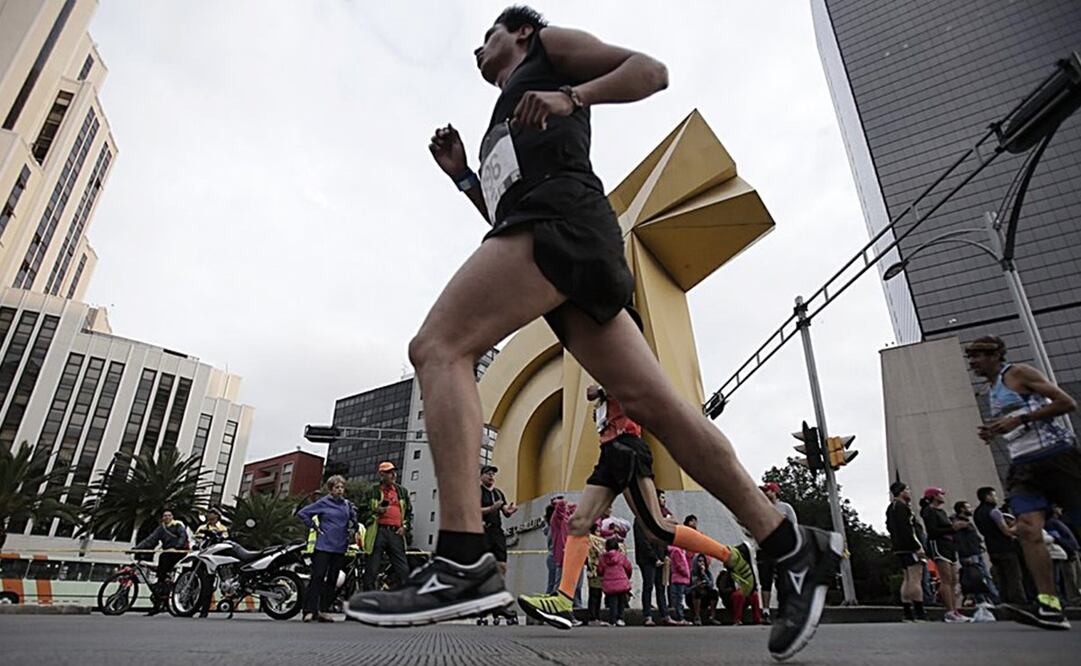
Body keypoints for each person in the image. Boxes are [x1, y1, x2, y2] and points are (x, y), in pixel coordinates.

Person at [346, 8, 841, 660]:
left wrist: (571, 93)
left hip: (564, 227)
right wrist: (465, 175)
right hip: (558, 238)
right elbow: (504, 210)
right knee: (655, 405)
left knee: (438, 348)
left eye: (486, 34)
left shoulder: (548, 52)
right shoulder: (504, 117)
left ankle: (464, 555)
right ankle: (785, 541)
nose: (477, 48)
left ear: (519, 34)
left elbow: (649, 71)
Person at [517, 383, 751, 631]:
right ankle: (563, 600)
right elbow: (589, 391)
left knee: (656, 528)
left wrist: (608, 387)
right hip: (608, 453)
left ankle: (732, 556)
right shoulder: (601, 364)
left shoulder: (619, 356)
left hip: (627, 448)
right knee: (578, 523)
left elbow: (639, 388)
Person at [966, 335, 1078, 630]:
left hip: (1056, 457)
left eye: (978, 355)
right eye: (970, 357)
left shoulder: (1019, 374)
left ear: (995, 355)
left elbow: (1066, 403)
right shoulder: (990, 391)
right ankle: (1050, 604)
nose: (973, 362)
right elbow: (1011, 422)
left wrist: (1022, 419)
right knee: (1028, 530)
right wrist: (994, 431)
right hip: (1023, 467)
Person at [297, 475, 358, 623]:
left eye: (342, 487)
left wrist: (354, 522)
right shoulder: (323, 503)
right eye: (337, 487)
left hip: (339, 546)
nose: (340, 490)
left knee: (333, 579)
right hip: (324, 546)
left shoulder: (346, 505)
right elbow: (303, 513)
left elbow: (354, 522)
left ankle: (323, 610)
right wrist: (314, 527)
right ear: (330, 489)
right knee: (317, 577)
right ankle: (309, 610)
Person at [361, 462, 413, 592]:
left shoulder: (402, 491)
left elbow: (408, 513)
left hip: (396, 532)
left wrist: (405, 527)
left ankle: (403, 598)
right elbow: (361, 513)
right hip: (377, 531)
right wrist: (375, 512)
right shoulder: (372, 491)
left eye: (393, 472)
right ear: (381, 475)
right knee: (372, 569)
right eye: (389, 472)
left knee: (403, 569)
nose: (393, 475)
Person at [920, 487, 969, 623]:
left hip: (949, 545)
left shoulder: (941, 511)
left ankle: (955, 610)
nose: (942, 496)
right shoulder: (929, 511)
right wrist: (952, 528)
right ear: (934, 496)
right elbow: (933, 530)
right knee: (946, 578)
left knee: (953, 579)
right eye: (940, 494)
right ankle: (949, 611)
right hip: (939, 545)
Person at [974, 486, 1027, 605]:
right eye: (994, 495)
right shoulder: (994, 511)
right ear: (987, 497)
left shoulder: (977, 513)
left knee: (1001, 576)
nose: (996, 498)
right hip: (1005, 547)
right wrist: (1017, 526)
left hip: (992, 547)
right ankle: (1018, 600)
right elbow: (1006, 531)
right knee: (1013, 575)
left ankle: (1004, 599)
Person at [134, 508, 190, 616]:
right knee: (163, 558)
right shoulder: (161, 528)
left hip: (179, 551)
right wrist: (137, 548)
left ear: (172, 517)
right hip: (168, 552)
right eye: (165, 516)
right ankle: (161, 587)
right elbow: (151, 539)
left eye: (169, 515)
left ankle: (162, 580)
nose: (167, 517)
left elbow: (183, 537)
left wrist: (176, 547)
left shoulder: (178, 525)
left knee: (164, 557)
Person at [885, 482, 927, 622]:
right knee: (915, 578)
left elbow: (890, 527)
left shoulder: (891, 508)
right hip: (910, 547)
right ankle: (919, 612)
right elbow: (909, 530)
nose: (909, 492)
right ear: (901, 492)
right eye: (907, 489)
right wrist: (917, 546)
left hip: (898, 547)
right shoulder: (903, 508)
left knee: (907, 578)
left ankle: (907, 612)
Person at [757, 482, 797, 624]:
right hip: (764, 549)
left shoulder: (785, 508)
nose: (765, 493)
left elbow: (794, 527)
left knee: (783, 581)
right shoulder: (761, 508)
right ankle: (766, 611)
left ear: (774, 492)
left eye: (767, 490)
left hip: (782, 549)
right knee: (765, 581)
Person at [952, 500, 997, 622]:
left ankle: (985, 601)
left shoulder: (967, 523)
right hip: (970, 554)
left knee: (982, 577)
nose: (970, 509)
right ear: (961, 509)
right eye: (968, 507)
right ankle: (988, 600)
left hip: (976, 552)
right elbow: (959, 539)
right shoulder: (958, 523)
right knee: (979, 577)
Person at [634, 508, 670, 626]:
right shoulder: (639, 520)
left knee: (661, 587)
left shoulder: (657, 519)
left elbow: (663, 536)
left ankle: (665, 615)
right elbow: (642, 542)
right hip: (647, 560)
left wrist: (666, 554)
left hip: (660, 556)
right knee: (648, 585)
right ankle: (647, 615)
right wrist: (654, 558)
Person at [480, 464, 518, 575]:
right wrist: (491, 509)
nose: (491, 476)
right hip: (481, 530)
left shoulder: (498, 493)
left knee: (502, 563)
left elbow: (505, 510)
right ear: (481, 476)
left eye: (493, 474)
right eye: (488, 474)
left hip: (496, 531)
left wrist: (509, 510)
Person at [1045, 506, 1080, 605]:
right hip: (1067, 552)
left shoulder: (1059, 521)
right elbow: (1057, 538)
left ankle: (1075, 596)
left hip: (1072, 550)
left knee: (1076, 576)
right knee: (1070, 577)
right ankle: (1073, 599)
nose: (1060, 510)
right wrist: (1069, 550)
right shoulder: (1051, 523)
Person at [598, 536, 632, 626]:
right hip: (621, 582)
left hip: (609, 584)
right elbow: (628, 567)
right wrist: (627, 577)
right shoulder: (621, 556)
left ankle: (613, 620)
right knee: (621, 601)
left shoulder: (603, 558)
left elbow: (600, 570)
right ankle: (620, 619)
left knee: (612, 603)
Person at [689, 552, 720, 626]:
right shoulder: (692, 573)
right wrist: (696, 585)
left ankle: (712, 616)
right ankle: (697, 617)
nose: (701, 563)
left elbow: (711, 585)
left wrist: (704, 574)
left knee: (714, 592)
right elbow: (686, 589)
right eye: (699, 561)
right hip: (693, 597)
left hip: (705, 596)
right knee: (697, 592)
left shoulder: (708, 573)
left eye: (703, 561)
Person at [586, 523, 607, 624]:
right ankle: (593, 617)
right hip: (594, 570)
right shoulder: (592, 541)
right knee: (594, 594)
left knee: (597, 594)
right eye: (597, 531)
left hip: (597, 571)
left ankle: (596, 616)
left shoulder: (595, 541)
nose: (599, 533)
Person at [667, 542, 691, 625]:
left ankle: (680, 616)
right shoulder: (677, 551)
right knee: (679, 599)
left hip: (678, 578)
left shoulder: (678, 551)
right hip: (680, 579)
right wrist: (687, 573)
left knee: (678, 599)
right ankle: (680, 617)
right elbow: (680, 565)